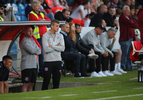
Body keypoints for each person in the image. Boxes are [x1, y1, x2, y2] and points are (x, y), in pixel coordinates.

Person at [28, 0, 50, 78]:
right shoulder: (31, 14)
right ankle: (41, 73)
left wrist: (42, 21)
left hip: (44, 37)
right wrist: (42, 21)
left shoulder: (41, 14)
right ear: (33, 7)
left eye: (40, 6)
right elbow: (38, 23)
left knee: (44, 56)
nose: (39, 7)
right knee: (41, 56)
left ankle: (43, 72)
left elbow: (49, 20)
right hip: (37, 38)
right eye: (37, 6)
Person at [42, 20, 65, 90]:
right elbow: (46, 50)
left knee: (57, 80)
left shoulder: (60, 35)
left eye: (58, 26)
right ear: (52, 26)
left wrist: (52, 46)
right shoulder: (45, 35)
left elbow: (63, 48)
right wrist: (57, 46)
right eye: (56, 26)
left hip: (58, 60)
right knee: (46, 80)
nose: (58, 28)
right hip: (48, 61)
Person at [20, 26, 41, 92]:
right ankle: (24, 97)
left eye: (32, 31)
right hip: (27, 66)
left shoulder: (32, 40)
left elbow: (39, 50)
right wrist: (36, 50)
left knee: (32, 84)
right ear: (25, 32)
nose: (31, 32)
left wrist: (36, 50)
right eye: (29, 31)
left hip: (34, 65)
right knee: (26, 84)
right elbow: (32, 50)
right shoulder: (24, 41)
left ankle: (29, 97)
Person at [119, 5, 138, 71]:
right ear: (123, 11)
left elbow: (135, 24)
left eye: (129, 11)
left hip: (131, 38)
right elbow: (130, 23)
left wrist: (131, 24)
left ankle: (128, 66)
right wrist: (131, 24)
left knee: (129, 53)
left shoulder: (130, 17)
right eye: (127, 11)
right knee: (125, 53)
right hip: (125, 38)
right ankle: (123, 66)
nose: (128, 12)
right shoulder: (122, 17)